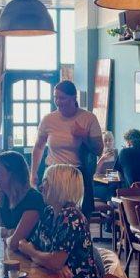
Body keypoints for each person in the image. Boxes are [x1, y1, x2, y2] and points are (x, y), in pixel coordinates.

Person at [3, 164, 100, 278]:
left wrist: (39, 255)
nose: (41, 186)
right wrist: (45, 258)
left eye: (46, 182)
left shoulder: (72, 217)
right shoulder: (49, 213)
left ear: (59, 185)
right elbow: (25, 244)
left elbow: (49, 259)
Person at [30, 81, 103, 216]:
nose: (58, 102)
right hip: (53, 173)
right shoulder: (48, 119)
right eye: (55, 97)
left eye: (62, 98)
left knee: (80, 216)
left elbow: (99, 150)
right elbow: (39, 147)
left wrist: (84, 136)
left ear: (74, 98)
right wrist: (33, 173)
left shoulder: (88, 118)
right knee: (50, 215)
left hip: (77, 175)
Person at [0, 151, 45, 251]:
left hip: (33, 257)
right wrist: (9, 232)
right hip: (14, 255)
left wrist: (3, 234)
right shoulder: (0, 195)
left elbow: (15, 243)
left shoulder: (33, 198)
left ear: (13, 174)